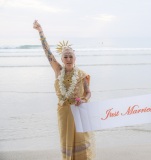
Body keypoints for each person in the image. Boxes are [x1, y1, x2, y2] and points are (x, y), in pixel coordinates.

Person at [33, 20, 95, 160]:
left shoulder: (81, 74)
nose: (68, 59)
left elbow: (89, 92)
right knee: (65, 139)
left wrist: (84, 99)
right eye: (65, 56)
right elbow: (47, 52)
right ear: (61, 58)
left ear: (75, 58)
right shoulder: (58, 71)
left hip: (78, 110)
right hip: (63, 111)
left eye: (70, 56)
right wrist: (41, 31)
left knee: (81, 138)